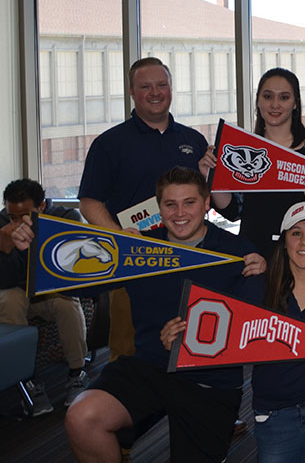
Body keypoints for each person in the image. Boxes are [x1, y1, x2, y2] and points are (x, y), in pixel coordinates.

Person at [162, 202, 305, 463]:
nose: (304, 241)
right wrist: (179, 337)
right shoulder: (256, 288)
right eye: (296, 233)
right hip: (274, 410)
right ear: (284, 242)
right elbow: (216, 331)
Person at [64, 167, 266, 463]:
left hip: (209, 378)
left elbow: (254, 327)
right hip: (149, 366)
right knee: (82, 417)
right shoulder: (139, 248)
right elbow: (77, 284)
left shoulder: (238, 252)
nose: (180, 213)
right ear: (159, 208)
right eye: (170, 204)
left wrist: (194, 337)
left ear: (207, 202)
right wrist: (29, 250)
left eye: (190, 202)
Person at [77, 57, 210, 361]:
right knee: (130, 353)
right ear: (132, 92)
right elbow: (89, 201)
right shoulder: (109, 143)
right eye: (145, 86)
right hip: (135, 262)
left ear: (171, 89)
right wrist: (121, 239)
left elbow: (205, 199)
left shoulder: (193, 139)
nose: (155, 92)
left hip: (187, 259)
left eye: (161, 84)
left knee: (190, 343)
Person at [209, 67, 305, 259]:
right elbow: (234, 211)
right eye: (268, 96)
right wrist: (213, 175)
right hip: (256, 256)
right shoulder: (243, 151)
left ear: (295, 104)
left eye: (284, 97)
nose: (275, 104)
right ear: (258, 101)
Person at [0, 178, 88, 414]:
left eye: (23, 215)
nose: (17, 222)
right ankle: (28, 381)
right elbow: (5, 281)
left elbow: (64, 270)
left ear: (41, 207)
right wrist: (6, 249)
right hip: (20, 295)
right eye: (11, 216)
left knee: (65, 302)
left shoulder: (66, 218)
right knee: (9, 299)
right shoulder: (1, 226)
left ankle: (76, 373)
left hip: (52, 292)